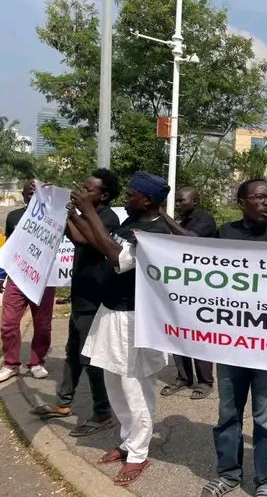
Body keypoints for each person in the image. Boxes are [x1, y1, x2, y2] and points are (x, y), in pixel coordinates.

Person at [68, 171, 172, 486]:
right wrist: (75, 215)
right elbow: (100, 242)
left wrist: (88, 211)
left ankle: (139, 453)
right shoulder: (132, 222)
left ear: (148, 200)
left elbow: (117, 258)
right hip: (112, 311)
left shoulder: (155, 232)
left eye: (130, 195)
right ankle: (128, 440)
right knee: (114, 382)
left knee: (135, 388)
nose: (125, 200)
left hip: (134, 318)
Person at [201, 178, 267, 497]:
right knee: (228, 414)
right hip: (231, 345)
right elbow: (197, 270)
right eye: (259, 197)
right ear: (241, 203)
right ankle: (228, 475)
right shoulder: (224, 234)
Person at [30, 170, 121, 438]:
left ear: (104, 195)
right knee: (73, 353)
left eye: (88, 189)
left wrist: (71, 213)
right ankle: (63, 402)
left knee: (90, 358)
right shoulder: (86, 215)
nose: (82, 192)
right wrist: (57, 204)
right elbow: (74, 237)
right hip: (81, 296)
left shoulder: (108, 218)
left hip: (96, 299)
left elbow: (86, 239)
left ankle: (103, 413)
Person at [159, 187, 217, 400]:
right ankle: (184, 377)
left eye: (181, 200)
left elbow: (190, 239)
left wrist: (164, 216)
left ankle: (205, 381)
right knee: (178, 332)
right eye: (176, 201)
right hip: (181, 286)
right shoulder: (183, 220)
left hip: (200, 288)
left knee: (198, 334)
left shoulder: (205, 219)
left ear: (195, 201)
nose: (177, 204)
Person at [0, 181, 55, 383]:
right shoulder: (14, 217)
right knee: (8, 323)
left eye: (37, 193)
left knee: (43, 325)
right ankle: (10, 364)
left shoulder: (54, 218)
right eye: (29, 194)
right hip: (17, 277)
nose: (33, 198)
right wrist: (1, 274)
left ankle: (36, 362)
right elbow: (9, 247)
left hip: (43, 280)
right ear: (23, 196)